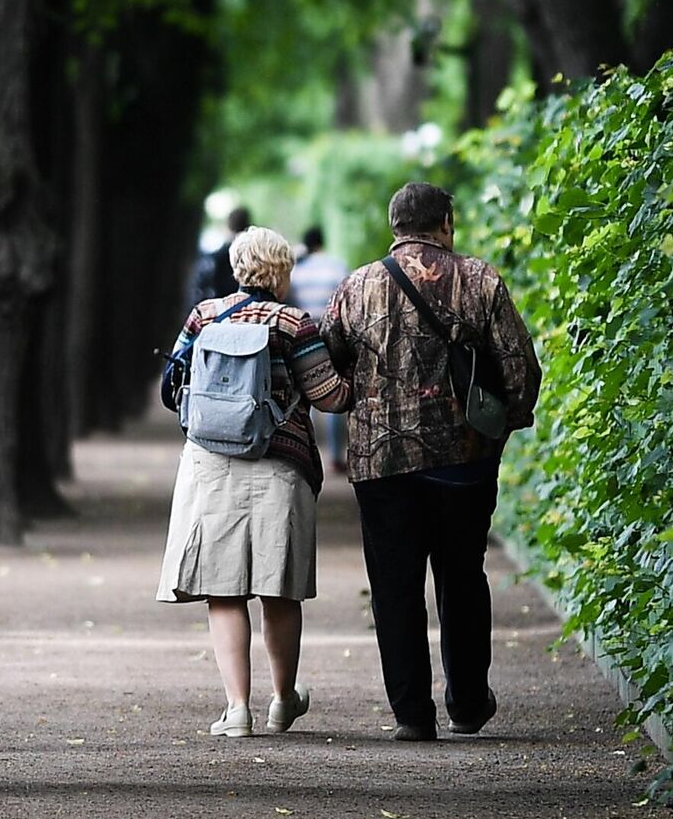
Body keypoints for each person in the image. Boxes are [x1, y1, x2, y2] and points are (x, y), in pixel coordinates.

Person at [322, 182, 537, 742]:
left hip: (381, 463)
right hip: (462, 462)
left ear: (394, 226)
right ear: (447, 222)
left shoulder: (357, 287)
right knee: (462, 577)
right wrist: (497, 429)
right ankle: (467, 703)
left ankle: (411, 715)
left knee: (393, 586)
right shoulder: (481, 279)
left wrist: (360, 406)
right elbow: (519, 368)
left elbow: (327, 363)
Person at [158, 226, 352, 738]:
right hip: (279, 466)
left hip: (211, 464)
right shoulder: (295, 324)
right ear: (283, 272)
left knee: (223, 593)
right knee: (278, 591)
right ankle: (283, 701)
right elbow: (329, 395)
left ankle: (237, 709)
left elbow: (173, 385)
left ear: (238, 266)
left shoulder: (204, 316)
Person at [289, 226, 350, 474]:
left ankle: (308, 448)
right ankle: (335, 455)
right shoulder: (337, 266)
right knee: (332, 391)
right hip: (330, 335)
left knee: (304, 396)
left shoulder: (296, 271)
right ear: (322, 242)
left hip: (300, 334)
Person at [185, 206, 251, 311]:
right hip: (245, 310)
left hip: (220, 309)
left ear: (228, 225)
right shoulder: (253, 257)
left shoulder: (216, 257)